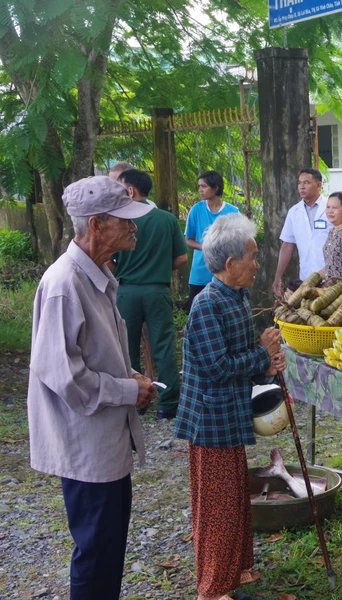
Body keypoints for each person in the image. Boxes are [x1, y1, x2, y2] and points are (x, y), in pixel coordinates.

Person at [28, 176, 157, 600]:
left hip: (106, 440)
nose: (133, 229)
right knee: (96, 552)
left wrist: (132, 378)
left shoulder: (97, 273)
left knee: (109, 549)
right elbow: (64, 375)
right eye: (125, 221)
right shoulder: (64, 284)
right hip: (86, 444)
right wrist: (126, 390)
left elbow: (97, 354)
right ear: (98, 225)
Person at [174, 213, 286, 600]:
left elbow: (243, 356)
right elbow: (216, 367)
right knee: (217, 509)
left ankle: (234, 571)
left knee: (236, 497)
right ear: (230, 264)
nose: (258, 264)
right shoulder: (206, 305)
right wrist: (262, 355)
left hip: (230, 414)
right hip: (210, 420)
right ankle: (213, 588)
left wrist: (268, 363)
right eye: (253, 257)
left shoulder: (236, 296)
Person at [112, 169, 189, 420]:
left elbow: (110, 260)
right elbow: (181, 257)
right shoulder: (167, 219)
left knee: (127, 348)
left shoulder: (119, 219)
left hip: (126, 292)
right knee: (164, 347)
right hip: (158, 290)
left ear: (131, 191)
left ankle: (136, 402)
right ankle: (169, 405)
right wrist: (159, 269)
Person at [273, 168, 333, 297]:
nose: (302, 187)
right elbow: (287, 245)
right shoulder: (294, 212)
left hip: (332, 277)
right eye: (299, 183)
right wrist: (278, 276)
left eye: (306, 183)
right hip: (307, 278)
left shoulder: (331, 208)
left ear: (318, 185)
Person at [185, 170, 239, 306]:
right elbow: (188, 239)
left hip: (225, 273)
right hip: (200, 274)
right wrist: (205, 247)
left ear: (216, 188)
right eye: (199, 187)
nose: (200, 190)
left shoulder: (233, 212)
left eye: (204, 186)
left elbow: (239, 241)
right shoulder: (196, 210)